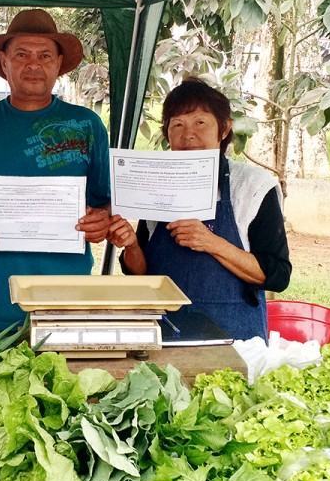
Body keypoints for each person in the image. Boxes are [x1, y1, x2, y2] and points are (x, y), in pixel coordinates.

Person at [0, 9, 111, 334]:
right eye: (22, 54)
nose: (33, 64)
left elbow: (108, 202)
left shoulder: (86, 126)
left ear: (58, 64)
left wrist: (102, 219)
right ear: (4, 62)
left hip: (65, 309)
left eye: (45, 55)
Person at [108, 78, 291, 340]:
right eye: (177, 124)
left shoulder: (253, 186)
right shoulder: (156, 183)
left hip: (235, 338)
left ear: (225, 128)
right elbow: (142, 274)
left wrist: (210, 242)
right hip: (162, 332)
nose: (188, 135)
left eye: (200, 123)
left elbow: (277, 276)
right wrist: (131, 246)